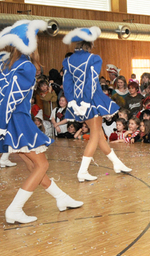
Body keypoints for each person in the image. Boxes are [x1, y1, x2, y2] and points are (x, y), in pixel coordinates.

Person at [0, 20, 82, 224]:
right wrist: (0, 124)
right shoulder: (27, 66)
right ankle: (15, 209)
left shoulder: (4, 64)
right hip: (17, 121)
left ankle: (61, 198)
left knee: (32, 164)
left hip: (8, 120)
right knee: (42, 164)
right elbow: (11, 96)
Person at [62, 26, 132, 182]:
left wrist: (73, 101)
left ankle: (117, 163)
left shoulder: (68, 60)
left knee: (99, 134)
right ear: (90, 42)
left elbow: (66, 84)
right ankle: (83, 171)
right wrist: (86, 102)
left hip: (77, 101)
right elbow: (92, 82)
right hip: (91, 100)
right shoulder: (93, 58)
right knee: (95, 135)